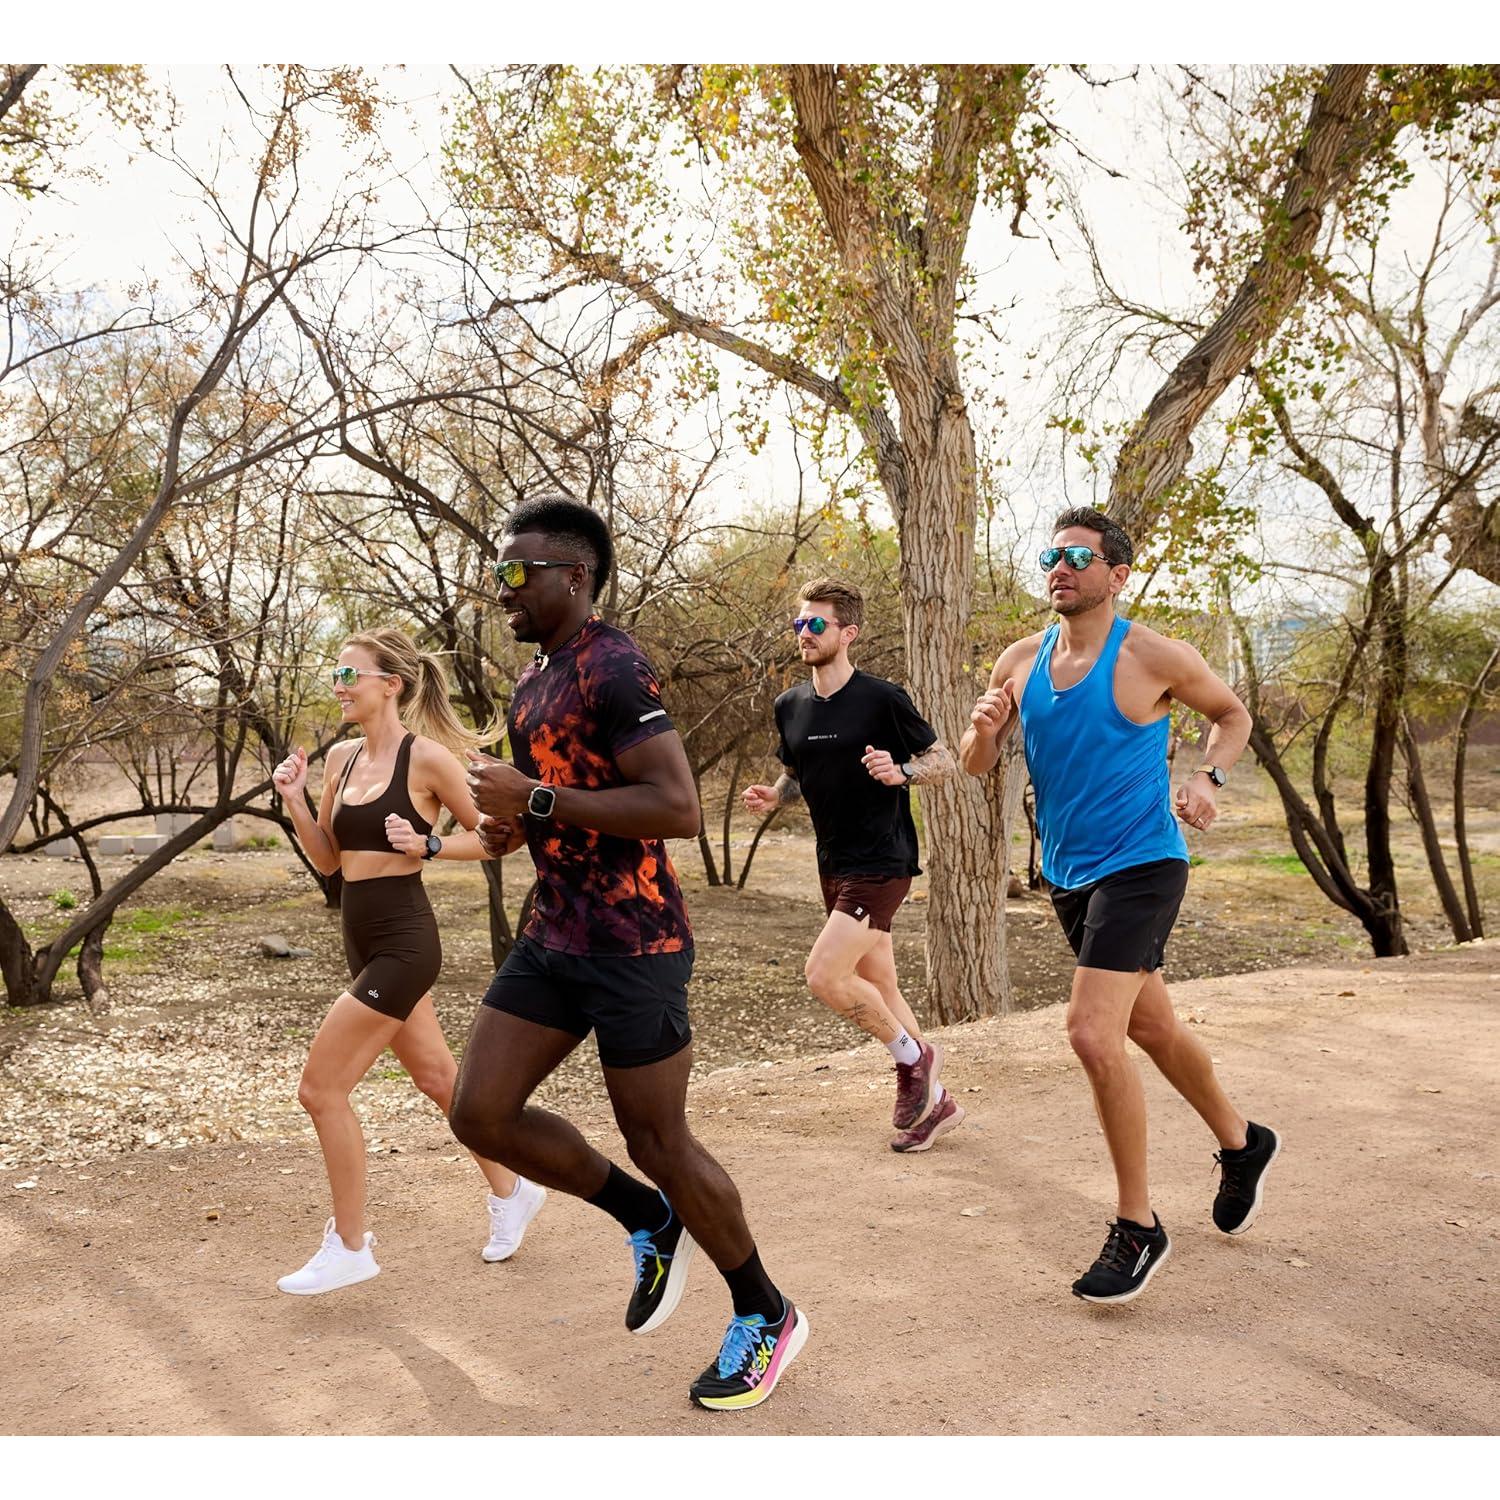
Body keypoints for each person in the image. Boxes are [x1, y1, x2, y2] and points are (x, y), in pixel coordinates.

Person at [449, 496, 808, 1412]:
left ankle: (766, 1312)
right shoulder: (534, 680)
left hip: (633, 942)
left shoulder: (613, 663)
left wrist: (534, 803)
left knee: (658, 1138)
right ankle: (646, 1220)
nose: (502, 589)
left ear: (574, 576)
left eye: (516, 572)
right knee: (479, 1113)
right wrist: (515, 826)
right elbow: (563, 801)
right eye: (498, 572)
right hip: (553, 933)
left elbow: (676, 806)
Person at [960, 505, 1281, 1305]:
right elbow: (974, 766)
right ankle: (1243, 1145)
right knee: (1152, 1026)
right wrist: (985, 729)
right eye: (1051, 556)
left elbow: (1233, 715)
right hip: (1070, 875)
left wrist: (1207, 780)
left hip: (1144, 863)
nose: (1060, 568)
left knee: (1091, 1032)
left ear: (1117, 574)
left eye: (1078, 556)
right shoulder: (1020, 659)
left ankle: (1138, 1225)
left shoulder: (1152, 655)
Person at [271, 628, 545, 1295]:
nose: (338, 684)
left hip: (404, 943)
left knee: (321, 1090)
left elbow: (495, 839)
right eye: (335, 673)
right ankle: (513, 1190)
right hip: (358, 936)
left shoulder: (428, 761)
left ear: (389, 685)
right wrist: (296, 800)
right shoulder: (338, 759)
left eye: (349, 674)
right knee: (437, 1077)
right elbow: (332, 862)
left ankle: (350, 1245)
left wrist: (428, 844)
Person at [742, 578, 962, 1152]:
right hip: (833, 862)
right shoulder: (788, 706)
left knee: (824, 974)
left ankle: (913, 1059)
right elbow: (796, 773)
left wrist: (903, 773)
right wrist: (774, 794)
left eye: (817, 624)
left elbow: (943, 761)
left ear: (848, 633)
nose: (805, 633)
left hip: (883, 860)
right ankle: (934, 1106)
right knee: (877, 981)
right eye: (799, 623)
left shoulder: (882, 699)